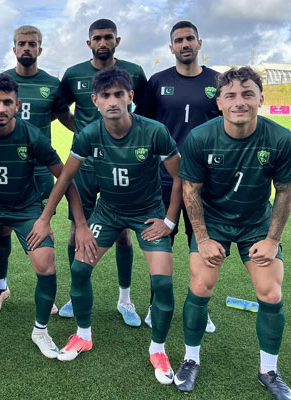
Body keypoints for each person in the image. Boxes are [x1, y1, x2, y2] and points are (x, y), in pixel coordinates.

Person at [29, 67, 180, 384]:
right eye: (106, 96)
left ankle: (159, 349)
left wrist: (169, 219)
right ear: (95, 101)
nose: (113, 101)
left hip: (148, 213)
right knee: (80, 269)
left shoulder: (153, 131)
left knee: (163, 283)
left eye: (119, 94)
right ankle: (83, 335)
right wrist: (52, 219)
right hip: (107, 212)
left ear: (130, 97)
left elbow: (181, 177)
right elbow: (66, 177)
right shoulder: (88, 134)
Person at [173, 67, 291, 400]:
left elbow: (285, 191)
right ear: (219, 102)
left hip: (256, 222)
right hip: (213, 221)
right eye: (230, 95)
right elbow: (191, 191)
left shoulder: (280, 138)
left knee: (270, 293)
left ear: (260, 98)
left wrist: (271, 239)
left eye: (247, 94)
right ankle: (190, 359)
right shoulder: (200, 138)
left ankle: (269, 371)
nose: (239, 102)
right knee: (200, 285)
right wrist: (202, 238)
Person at [0, 73, 83, 358]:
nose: (1, 108)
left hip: (26, 209)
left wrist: (50, 219)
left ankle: (41, 331)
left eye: (7, 102)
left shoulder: (33, 136)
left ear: (17, 105)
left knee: (46, 263)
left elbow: (65, 179)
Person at [57, 19, 147, 325]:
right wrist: (82, 131)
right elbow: (59, 108)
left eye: (108, 37)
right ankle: (74, 294)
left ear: (117, 40)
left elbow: (144, 109)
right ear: (89, 43)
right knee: (75, 229)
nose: (103, 42)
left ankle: (125, 300)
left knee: (122, 231)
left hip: (121, 163)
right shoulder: (74, 74)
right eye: (97, 38)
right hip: (85, 166)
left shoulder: (133, 73)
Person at [136, 20, 218, 333]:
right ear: (171, 48)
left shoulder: (217, 81)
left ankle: (202, 307)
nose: (184, 45)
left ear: (200, 43)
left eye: (189, 39)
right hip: (163, 180)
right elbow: (142, 126)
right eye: (178, 41)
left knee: (202, 243)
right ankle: (157, 303)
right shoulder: (157, 82)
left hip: (203, 181)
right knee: (160, 244)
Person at [0, 24, 73, 315]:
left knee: (40, 230)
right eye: (21, 44)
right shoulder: (1, 81)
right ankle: (1, 287)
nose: (26, 48)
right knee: (2, 229)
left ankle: (46, 292)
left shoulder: (51, 84)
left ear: (39, 49)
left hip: (39, 172)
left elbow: (64, 117)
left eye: (31, 44)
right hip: (4, 169)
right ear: (14, 48)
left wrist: (92, 134)